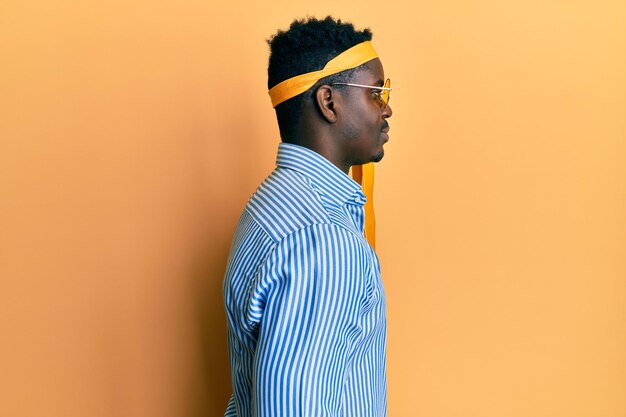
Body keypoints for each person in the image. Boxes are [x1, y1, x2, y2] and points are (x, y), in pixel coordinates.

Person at [223, 16, 393, 417]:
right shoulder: (323, 241)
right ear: (329, 101)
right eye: (375, 93)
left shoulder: (270, 205)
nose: (388, 108)